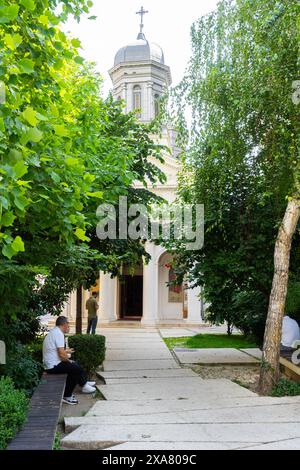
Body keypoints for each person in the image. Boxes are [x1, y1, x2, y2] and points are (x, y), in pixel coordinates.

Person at [43, 316, 96, 405]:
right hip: (52, 366)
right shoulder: (58, 334)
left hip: (51, 364)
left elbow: (57, 350)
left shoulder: (55, 332)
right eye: (68, 324)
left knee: (75, 364)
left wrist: (66, 352)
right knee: (75, 368)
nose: (69, 326)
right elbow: (61, 354)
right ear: (64, 324)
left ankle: (84, 383)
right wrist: (68, 361)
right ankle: (67, 396)